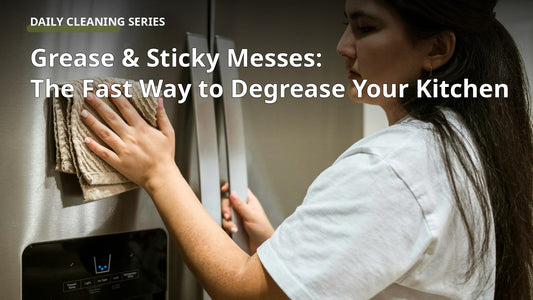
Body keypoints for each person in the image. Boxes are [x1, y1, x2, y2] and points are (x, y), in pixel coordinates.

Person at [79, 0, 532, 299]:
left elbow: (247, 294)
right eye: (346, 24)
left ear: (437, 48)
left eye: (366, 27)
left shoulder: (394, 166)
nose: (343, 47)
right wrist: (277, 246)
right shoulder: (464, 145)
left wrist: (160, 173)